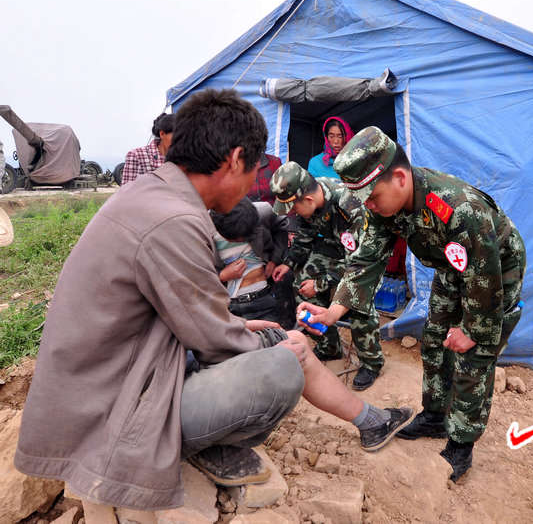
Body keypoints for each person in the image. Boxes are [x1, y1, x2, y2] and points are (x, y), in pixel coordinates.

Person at [14, 89, 413, 514]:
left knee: (276, 338)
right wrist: (261, 338)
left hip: (125, 377)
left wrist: (240, 327)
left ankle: (369, 420)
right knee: (284, 364)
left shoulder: (152, 197)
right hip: (117, 409)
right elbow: (214, 340)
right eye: (254, 171)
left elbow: (193, 318)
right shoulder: (174, 220)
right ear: (236, 160)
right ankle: (203, 444)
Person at [298, 126, 526, 482]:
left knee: (473, 354)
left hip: (495, 270)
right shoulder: (381, 206)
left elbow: (484, 277)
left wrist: (471, 330)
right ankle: (435, 415)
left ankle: (462, 441)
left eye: (372, 197)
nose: (369, 206)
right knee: (434, 339)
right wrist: (333, 311)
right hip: (452, 268)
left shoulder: (458, 208)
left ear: (400, 178)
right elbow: (366, 260)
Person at [270, 161, 384, 390]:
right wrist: (289, 264)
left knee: (357, 302)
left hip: (366, 260)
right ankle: (329, 346)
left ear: (308, 200)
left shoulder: (350, 206)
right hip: (335, 249)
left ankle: (371, 363)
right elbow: (305, 237)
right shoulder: (311, 198)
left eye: (294, 209)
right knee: (302, 287)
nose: (292, 213)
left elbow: (358, 263)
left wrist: (320, 284)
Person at [211, 197, 295, 329]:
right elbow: (193, 274)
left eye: (248, 236)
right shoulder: (203, 229)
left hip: (265, 297)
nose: (244, 240)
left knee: (279, 336)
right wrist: (222, 275)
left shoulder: (262, 212)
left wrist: (274, 260)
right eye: (238, 239)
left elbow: (281, 225)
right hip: (231, 307)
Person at [121, 112, 174, 185]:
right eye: (177, 135)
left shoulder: (183, 158)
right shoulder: (137, 155)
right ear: (162, 134)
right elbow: (126, 189)